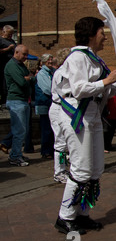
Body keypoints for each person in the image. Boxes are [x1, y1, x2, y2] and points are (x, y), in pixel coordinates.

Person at [54, 17, 116, 234]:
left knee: (95, 169)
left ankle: (82, 214)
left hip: (93, 114)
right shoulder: (78, 57)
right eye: (102, 32)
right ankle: (65, 216)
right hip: (77, 115)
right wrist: (107, 80)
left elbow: (106, 91)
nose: (105, 37)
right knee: (81, 168)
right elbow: (78, 89)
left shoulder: (95, 59)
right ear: (91, 34)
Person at [4, 44, 35, 166]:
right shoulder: (12, 65)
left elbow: (30, 78)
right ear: (16, 52)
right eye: (24, 54)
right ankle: (15, 156)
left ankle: (17, 153)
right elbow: (22, 82)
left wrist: (29, 78)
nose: (26, 57)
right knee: (19, 130)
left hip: (23, 100)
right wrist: (28, 79)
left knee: (23, 130)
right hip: (16, 100)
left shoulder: (20, 65)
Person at [49, 48, 71, 183]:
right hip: (58, 108)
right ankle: (59, 172)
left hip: (63, 108)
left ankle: (63, 168)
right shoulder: (61, 72)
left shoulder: (65, 71)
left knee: (64, 142)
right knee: (60, 142)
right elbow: (62, 92)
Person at [35, 53, 55, 159]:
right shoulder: (42, 73)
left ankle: (50, 150)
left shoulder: (51, 72)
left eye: (51, 60)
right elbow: (47, 89)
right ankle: (45, 151)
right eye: (48, 60)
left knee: (51, 129)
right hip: (44, 104)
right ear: (43, 62)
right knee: (46, 129)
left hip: (50, 104)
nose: (51, 62)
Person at [0, 25, 16, 107]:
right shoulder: (1, 40)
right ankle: (3, 101)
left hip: (12, 66)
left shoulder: (12, 41)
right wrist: (8, 49)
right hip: (3, 65)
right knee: (3, 83)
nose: (10, 36)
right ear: (4, 32)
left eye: (12, 34)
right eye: (9, 34)